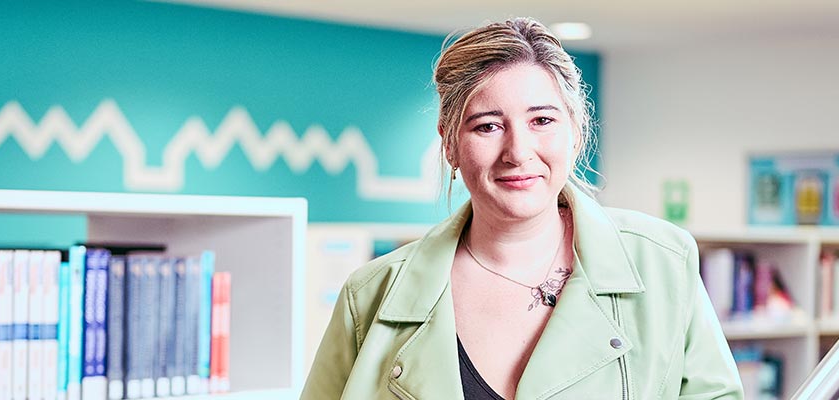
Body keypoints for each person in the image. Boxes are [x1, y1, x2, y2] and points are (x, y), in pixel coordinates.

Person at [300, 18, 744, 399]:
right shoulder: (371, 295)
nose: (518, 151)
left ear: (575, 130)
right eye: (488, 126)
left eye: (542, 120)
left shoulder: (664, 262)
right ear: (450, 143)